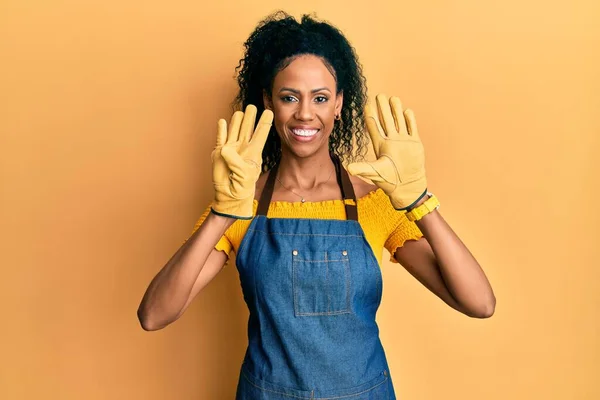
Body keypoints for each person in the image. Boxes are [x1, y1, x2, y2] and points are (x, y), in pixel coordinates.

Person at [137, 11, 496, 399]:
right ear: (268, 102)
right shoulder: (243, 202)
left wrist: (420, 200)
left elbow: (479, 303)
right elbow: (154, 315)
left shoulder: (375, 201)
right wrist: (221, 214)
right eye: (289, 97)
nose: (305, 113)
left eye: (320, 98)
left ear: (339, 104)